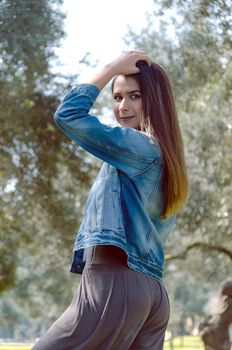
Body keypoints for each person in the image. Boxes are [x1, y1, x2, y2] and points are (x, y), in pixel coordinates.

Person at [32, 51, 189, 350]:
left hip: (115, 282)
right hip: (152, 295)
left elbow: (68, 114)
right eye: (117, 98)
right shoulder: (168, 159)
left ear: (154, 100)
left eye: (134, 96)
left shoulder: (140, 147)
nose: (123, 107)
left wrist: (110, 68)